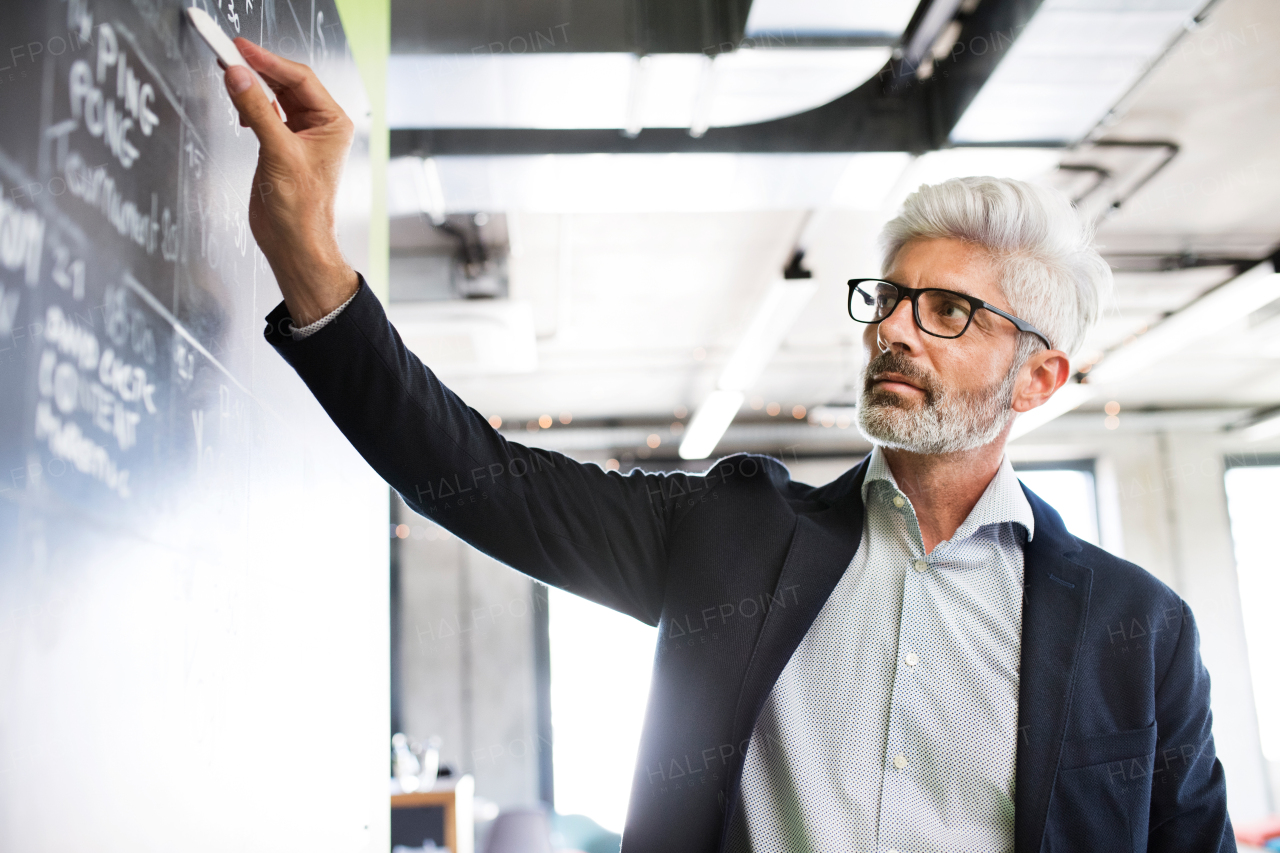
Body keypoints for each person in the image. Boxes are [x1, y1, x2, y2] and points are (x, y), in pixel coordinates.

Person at [222, 40, 1234, 853]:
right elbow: (482, 480)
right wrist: (306, 257)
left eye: (947, 312)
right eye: (887, 299)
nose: (892, 329)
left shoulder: (1137, 630)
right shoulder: (733, 534)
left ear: (1038, 377)